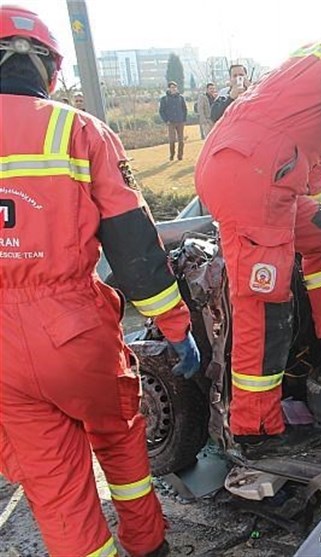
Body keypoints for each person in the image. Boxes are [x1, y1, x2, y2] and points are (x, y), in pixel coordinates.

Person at [0, 6, 200, 556]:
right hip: (72, 328)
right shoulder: (78, 129)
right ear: (51, 71)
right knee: (118, 436)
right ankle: (148, 543)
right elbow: (134, 246)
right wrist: (175, 326)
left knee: (55, 487)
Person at [195, 27, 321, 458]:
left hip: (258, 164)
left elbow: (303, 150)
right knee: (264, 300)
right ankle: (256, 429)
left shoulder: (310, 66)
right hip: (253, 173)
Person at [158, 81, 187, 161]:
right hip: (170, 122)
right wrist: (166, 120)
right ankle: (172, 155)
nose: (173, 89)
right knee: (172, 140)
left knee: (181, 140)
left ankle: (180, 155)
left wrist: (184, 119)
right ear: (169, 89)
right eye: (171, 87)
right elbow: (161, 111)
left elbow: (184, 109)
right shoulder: (164, 99)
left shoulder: (180, 98)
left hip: (180, 121)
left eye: (174, 87)